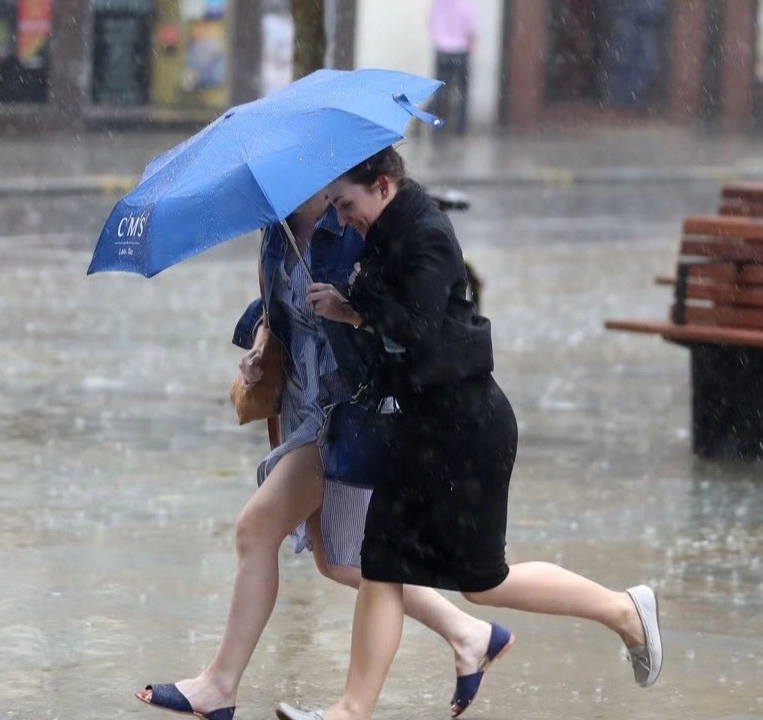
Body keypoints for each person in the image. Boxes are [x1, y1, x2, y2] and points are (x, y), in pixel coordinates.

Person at [281, 147, 664, 720]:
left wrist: (353, 311)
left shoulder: (428, 232)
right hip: (415, 426)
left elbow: (418, 325)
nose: (342, 217)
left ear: (382, 185)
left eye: (347, 203)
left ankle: (624, 611)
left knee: (482, 582)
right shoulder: (383, 231)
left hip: (466, 429)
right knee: (381, 563)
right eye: (335, 206)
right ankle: (350, 711)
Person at [136, 190, 509, 720]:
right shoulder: (275, 228)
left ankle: (218, 686)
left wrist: (349, 309)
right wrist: (262, 344)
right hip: (301, 400)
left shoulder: (355, 228)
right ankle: (470, 633)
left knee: (256, 529)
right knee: (338, 562)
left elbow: (403, 314)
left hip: (345, 407)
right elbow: (276, 307)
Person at [429, 0, 477, 135]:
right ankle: (460, 128)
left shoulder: (438, 4)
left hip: (442, 51)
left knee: (440, 90)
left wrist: (440, 40)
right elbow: (471, 28)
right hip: (461, 52)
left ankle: (436, 124)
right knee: (463, 92)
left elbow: (431, 22)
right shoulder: (465, 4)